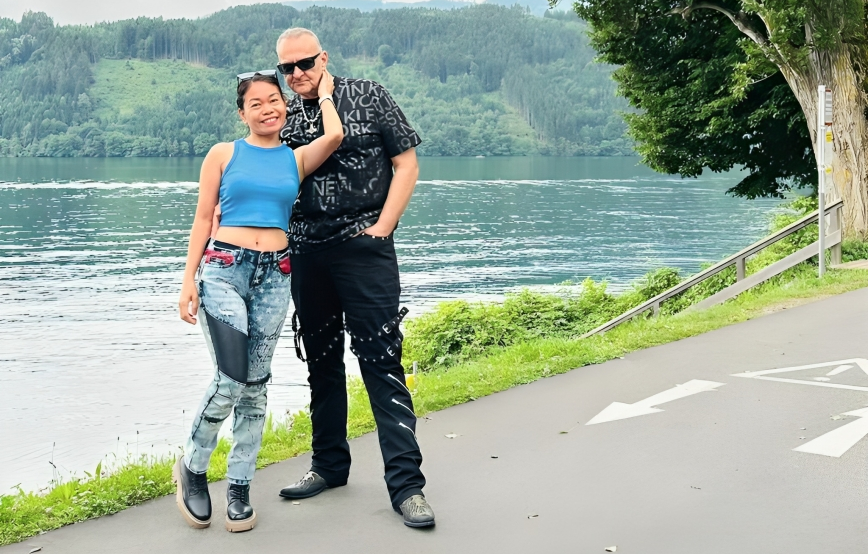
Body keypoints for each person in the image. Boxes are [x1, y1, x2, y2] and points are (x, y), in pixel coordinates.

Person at [273, 28, 435, 528]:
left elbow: (405, 163)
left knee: (382, 361)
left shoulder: (368, 94)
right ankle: (329, 465)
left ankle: (407, 487)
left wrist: (383, 228)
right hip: (307, 251)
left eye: (305, 63)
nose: (297, 73)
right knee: (321, 363)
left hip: (364, 249)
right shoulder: (284, 114)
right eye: (287, 68)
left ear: (323, 58)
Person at [175, 69, 342, 533]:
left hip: (276, 274)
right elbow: (203, 217)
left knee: (255, 386)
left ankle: (239, 485)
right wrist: (188, 280)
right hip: (224, 270)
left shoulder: (295, 158)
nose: (268, 109)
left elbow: (334, 136)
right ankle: (193, 466)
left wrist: (326, 94)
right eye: (256, 103)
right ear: (242, 113)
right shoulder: (223, 154)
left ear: (284, 105)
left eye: (274, 100)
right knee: (231, 378)